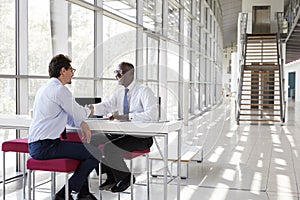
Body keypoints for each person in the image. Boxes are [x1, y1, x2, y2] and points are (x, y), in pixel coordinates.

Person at [28, 54, 100, 200]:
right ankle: (63, 195)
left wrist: (81, 122)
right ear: (62, 71)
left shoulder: (44, 89)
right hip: (46, 146)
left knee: (83, 152)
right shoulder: (60, 90)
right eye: (71, 70)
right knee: (95, 154)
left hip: (38, 145)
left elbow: (69, 117)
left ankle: (84, 194)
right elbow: (79, 113)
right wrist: (89, 111)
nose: (73, 73)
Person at [88, 62, 158, 193]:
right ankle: (112, 176)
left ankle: (125, 178)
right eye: (115, 73)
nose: (116, 76)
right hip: (123, 133)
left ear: (130, 73)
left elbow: (151, 115)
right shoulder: (119, 93)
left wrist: (126, 117)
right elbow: (107, 106)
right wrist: (92, 109)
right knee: (93, 139)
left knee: (109, 148)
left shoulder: (144, 91)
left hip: (141, 137)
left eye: (119, 72)